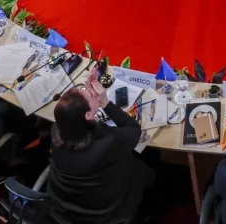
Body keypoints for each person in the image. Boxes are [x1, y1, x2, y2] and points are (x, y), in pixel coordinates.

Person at [49, 70, 153, 224]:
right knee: (148, 168)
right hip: (105, 214)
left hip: (68, 209)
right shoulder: (107, 143)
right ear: (88, 116)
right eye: (90, 96)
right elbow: (133, 130)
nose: (91, 93)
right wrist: (105, 102)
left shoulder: (56, 130)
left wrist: (88, 97)